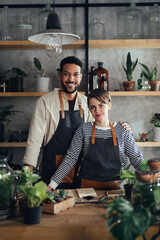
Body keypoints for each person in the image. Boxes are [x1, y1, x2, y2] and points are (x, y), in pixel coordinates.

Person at [48, 88, 144, 190]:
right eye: (92, 107)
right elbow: (70, 159)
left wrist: (152, 181)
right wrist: (51, 185)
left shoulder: (122, 132)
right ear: (89, 109)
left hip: (113, 191)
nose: (97, 110)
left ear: (109, 105)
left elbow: (137, 160)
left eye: (101, 106)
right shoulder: (84, 130)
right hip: (85, 189)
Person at [23, 56, 93, 188]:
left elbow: (98, 131)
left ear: (81, 77)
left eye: (75, 75)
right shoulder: (44, 103)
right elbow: (34, 142)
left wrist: (121, 127)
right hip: (50, 174)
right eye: (66, 74)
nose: (71, 79)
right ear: (60, 75)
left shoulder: (88, 103)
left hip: (81, 173)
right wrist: (27, 179)